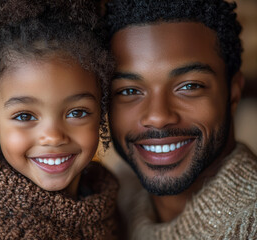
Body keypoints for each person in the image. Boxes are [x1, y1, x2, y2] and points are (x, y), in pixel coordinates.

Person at [0, 0, 120, 239]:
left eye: (77, 112)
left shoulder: (108, 204)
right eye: (25, 116)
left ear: (101, 110)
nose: (54, 136)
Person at [103, 0, 257, 239]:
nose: (158, 117)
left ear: (233, 93)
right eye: (129, 91)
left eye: (189, 86)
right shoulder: (113, 201)